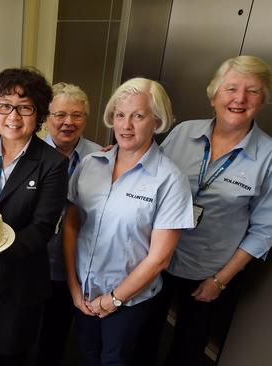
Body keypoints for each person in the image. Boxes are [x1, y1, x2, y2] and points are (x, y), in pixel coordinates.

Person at [136, 55, 272, 366]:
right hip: (158, 259)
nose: (239, 99)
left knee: (188, 348)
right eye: (231, 88)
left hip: (210, 272)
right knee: (143, 336)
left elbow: (265, 230)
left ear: (262, 100)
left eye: (252, 91)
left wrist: (220, 280)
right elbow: (150, 174)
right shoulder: (184, 132)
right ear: (214, 96)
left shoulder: (268, 157)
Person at [63, 77, 194, 365]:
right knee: (85, 354)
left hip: (128, 302)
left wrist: (113, 300)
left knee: (114, 359)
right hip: (84, 291)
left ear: (157, 120)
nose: (126, 126)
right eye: (120, 115)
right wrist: (73, 287)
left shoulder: (170, 180)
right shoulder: (91, 164)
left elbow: (159, 258)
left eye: (138, 116)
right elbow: (72, 224)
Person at [0, 67, 69, 365]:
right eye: (4, 106)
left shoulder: (53, 163)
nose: (13, 117)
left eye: (25, 108)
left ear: (40, 113)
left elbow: (42, 228)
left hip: (20, 280)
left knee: (13, 355)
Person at [39, 82, 101, 365]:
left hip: (76, 262)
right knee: (25, 328)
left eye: (77, 115)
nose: (68, 122)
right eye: (60, 114)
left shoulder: (102, 158)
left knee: (58, 329)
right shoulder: (31, 153)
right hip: (35, 257)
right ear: (46, 117)